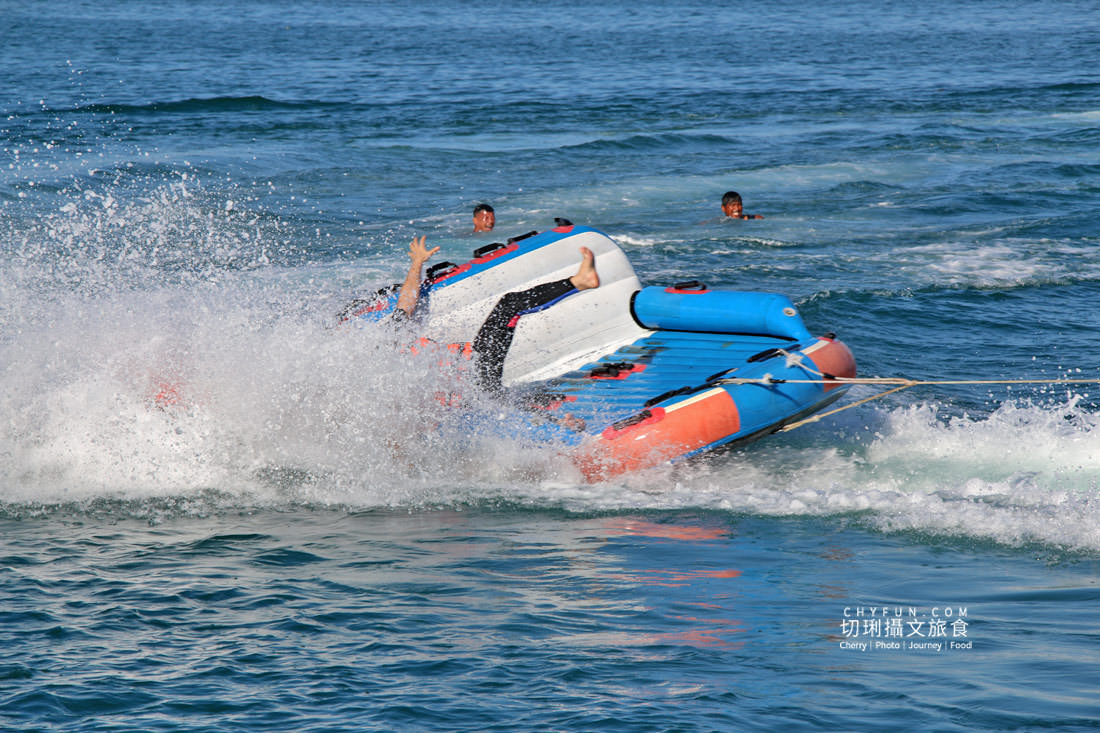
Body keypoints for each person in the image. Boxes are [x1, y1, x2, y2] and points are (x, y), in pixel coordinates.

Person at [392, 236, 599, 428]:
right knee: (509, 307)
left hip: (475, 364)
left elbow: (407, 300)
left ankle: (563, 424)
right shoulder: (389, 377)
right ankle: (580, 281)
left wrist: (417, 262)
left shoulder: (391, 334)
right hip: (473, 380)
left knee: (502, 397)